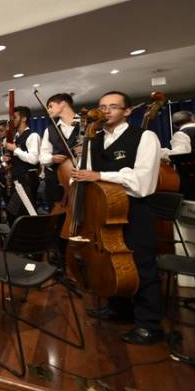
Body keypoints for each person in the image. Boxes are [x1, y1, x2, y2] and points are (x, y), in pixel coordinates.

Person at [71, 91, 163, 344]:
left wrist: (100, 176)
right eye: (102, 107)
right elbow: (85, 174)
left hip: (134, 210)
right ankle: (119, 308)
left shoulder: (144, 137)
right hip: (102, 211)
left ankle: (149, 324)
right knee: (110, 261)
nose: (106, 111)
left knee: (141, 266)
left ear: (127, 111)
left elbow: (143, 182)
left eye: (113, 107)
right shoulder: (94, 139)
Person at [39, 93, 81, 209]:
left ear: (62, 104)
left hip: (81, 178)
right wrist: (52, 158)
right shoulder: (50, 129)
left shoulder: (86, 123)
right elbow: (42, 156)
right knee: (56, 211)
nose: (48, 110)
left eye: (50, 106)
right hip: (56, 181)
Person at [4, 106, 40, 221]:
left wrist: (15, 150)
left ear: (24, 118)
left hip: (27, 180)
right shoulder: (15, 138)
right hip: (17, 180)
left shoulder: (32, 135)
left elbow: (34, 159)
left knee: (26, 213)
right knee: (17, 214)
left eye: (14, 117)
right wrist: (8, 158)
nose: (12, 121)